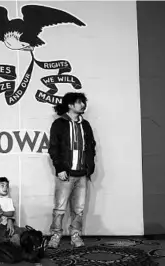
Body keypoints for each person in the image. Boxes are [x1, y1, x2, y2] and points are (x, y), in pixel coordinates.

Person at [47, 92, 96, 248]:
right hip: (65, 174)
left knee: (79, 209)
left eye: (83, 102)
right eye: (79, 102)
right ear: (70, 105)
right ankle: (55, 235)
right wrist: (60, 168)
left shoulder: (85, 124)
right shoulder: (59, 124)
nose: (83, 105)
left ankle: (75, 235)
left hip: (82, 174)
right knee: (59, 208)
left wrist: (90, 167)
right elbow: (53, 148)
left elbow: (91, 146)